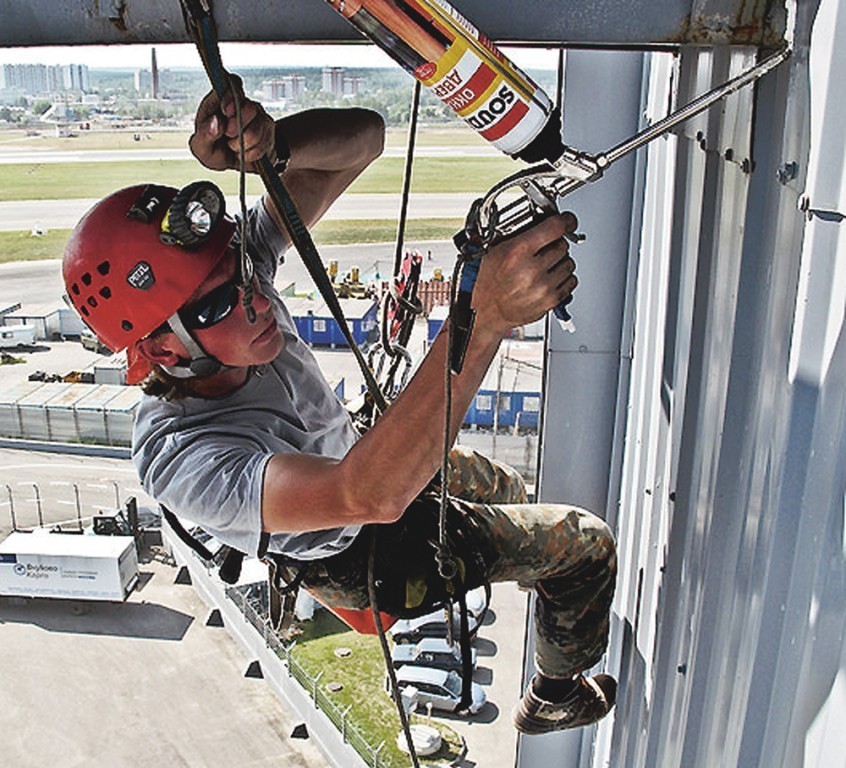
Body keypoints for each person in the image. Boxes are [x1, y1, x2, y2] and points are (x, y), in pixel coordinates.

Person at [62, 83, 617, 734]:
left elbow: (365, 139)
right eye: (217, 305)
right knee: (585, 545)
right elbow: (369, 496)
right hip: (359, 552)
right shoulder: (184, 461)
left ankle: (534, 576)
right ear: (162, 348)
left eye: (242, 267)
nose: (256, 300)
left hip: (357, 453)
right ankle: (554, 694)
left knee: (506, 489)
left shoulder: (237, 285)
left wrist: (272, 148)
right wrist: (482, 318)